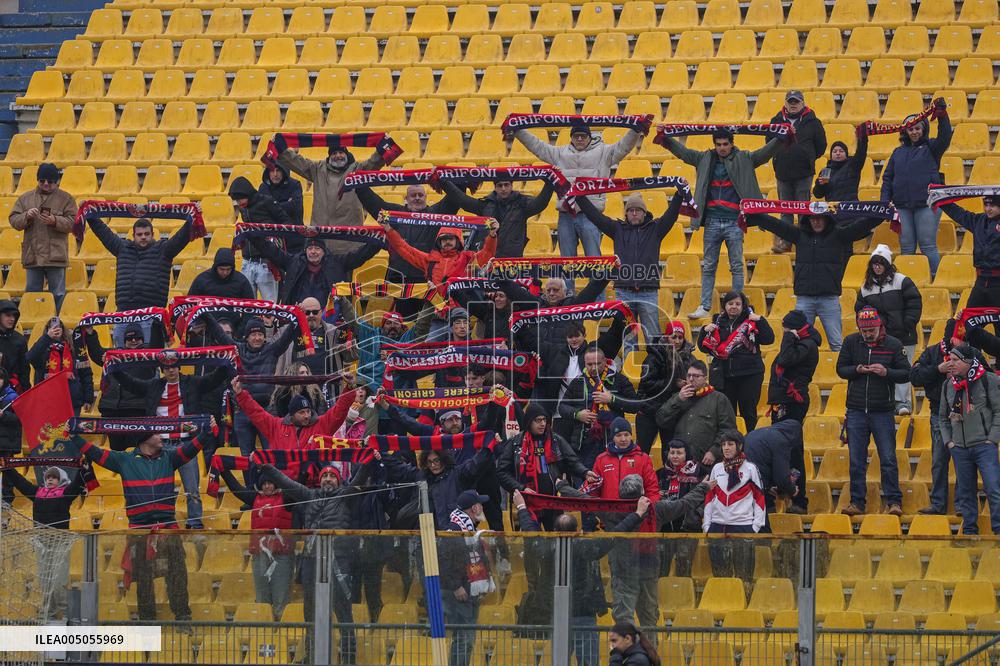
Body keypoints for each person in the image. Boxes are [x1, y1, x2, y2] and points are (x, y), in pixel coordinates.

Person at [79, 423, 217, 621]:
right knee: (144, 581)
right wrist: (73, 436)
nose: (162, 436)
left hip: (168, 529)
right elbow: (95, 452)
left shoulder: (170, 457)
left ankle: (183, 617)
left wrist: (207, 430)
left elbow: (194, 446)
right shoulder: (124, 460)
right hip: (140, 532)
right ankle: (147, 622)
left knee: (177, 575)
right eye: (156, 433)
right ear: (145, 439)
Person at [512, 489, 649, 666]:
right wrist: (638, 513)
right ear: (578, 531)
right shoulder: (588, 546)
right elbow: (616, 533)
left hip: (558, 613)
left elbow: (531, 534)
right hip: (584, 612)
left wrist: (522, 507)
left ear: (553, 531)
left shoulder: (545, 548)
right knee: (588, 662)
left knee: (559, 660)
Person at [657, 128, 781, 319]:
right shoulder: (704, 158)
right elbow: (683, 153)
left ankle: (740, 306)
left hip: (735, 220)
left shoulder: (744, 158)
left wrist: (782, 138)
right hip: (712, 220)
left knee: (737, 266)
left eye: (725, 144)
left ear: (732, 143)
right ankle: (705, 306)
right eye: (719, 144)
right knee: (708, 266)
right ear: (714, 144)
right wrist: (665, 138)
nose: (722, 148)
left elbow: (764, 154)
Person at [258, 461, 369, 663]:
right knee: (310, 611)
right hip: (311, 560)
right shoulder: (310, 495)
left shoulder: (345, 495)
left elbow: (361, 478)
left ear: (339, 480)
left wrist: (370, 461)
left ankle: (349, 659)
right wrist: (266, 467)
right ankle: (312, 655)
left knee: (343, 611)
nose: (327, 479)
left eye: (332, 476)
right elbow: (286, 482)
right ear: (319, 481)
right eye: (324, 476)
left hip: (339, 560)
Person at [513, 121, 642, 292]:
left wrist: (636, 129)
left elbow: (624, 146)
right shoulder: (560, 153)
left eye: (583, 136)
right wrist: (518, 130)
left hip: (592, 217)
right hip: (565, 215)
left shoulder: (604, 152)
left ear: (589, 137)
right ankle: (568, 301)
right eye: (576, 136)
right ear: (571, 138)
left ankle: (598, 301)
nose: (579, 139)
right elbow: (538, 147)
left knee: (595, 262)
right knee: (567, 263)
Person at [742, 210, 885, 351]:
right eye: (812, 218)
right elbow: (775, 224)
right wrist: (754, 215)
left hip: (829, 299)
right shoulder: (799, 235)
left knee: (836, 344)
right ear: (807, 220)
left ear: (827, 219)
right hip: (804, 298)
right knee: (799, 342)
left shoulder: (838, 235)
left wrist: (883, 213)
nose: (816, 222)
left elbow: (861, 226)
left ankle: (841, 374)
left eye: (819, 218)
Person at [577, 192, 683, 349]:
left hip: (648, 292)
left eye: (638, 210)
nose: (634, 213)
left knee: (652, 339)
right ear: (625, 213)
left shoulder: (656, 229)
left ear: (644, 213)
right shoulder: (616, 229)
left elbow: (672, 214)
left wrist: (679, 195)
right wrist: (579, 197)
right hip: (624, 291)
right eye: (630, 210)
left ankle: (655, 370)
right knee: (628, 340)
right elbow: (596, 217)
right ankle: (628, 371)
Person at [836, 307, 911, 517]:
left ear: (880, 326)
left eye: (872, 330)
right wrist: (857, 370)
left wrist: (886, 372)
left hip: (882, 411)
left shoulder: (894, 344)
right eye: (864, 330)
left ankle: (894, 501)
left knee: (888, 458)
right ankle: (857, 502)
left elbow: (906, 373)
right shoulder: (851, 342)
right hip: (856, 410)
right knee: (856, 460)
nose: (868, 334)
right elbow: (841, 369)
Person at [356, 183, 462, 315]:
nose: (417, 198)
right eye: (413, 195)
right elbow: (372, 202)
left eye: (420, 195)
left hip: (428, 283)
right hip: (399, 282)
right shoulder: (394, 214)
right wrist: (358, 184)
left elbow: (454, 198)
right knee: (404, 323)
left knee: (426, 323)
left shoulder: (436, 214)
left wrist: (460, 181)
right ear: (405, 198)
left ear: (426, 197)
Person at [86, 216, 195, 343]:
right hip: (123, 314)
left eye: (147, 234)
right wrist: (90, 216)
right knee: (121, 357)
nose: (143, 237)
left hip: (151, 316)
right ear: (134, 235)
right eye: (140, 234)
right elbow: (103, 233)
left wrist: (193, 218)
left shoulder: (164, 250)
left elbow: (181, 238)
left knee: (150, 359)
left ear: (153, 234)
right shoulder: (122, 248)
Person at [910, 319, 980, 515]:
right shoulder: (932, 352)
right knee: (939, 460)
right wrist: (937, 370)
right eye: (956, 341)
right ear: (948, 338)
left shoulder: (972, 352)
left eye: (962, 341)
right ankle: (938, 504)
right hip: (939, 414)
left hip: (966, 414)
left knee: (964, 462)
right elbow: (913, 377)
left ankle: (962, 505)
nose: (959, 345)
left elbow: (984, 376)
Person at [593, 425, 660, 630]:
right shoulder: (602, 460)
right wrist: (604, 517)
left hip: (643, 535)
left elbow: (653, 491)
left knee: (648, 603)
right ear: (612, 437)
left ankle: (649, 653)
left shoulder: (643, 458)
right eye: (619, 435)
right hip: (617, 533)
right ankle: (625, 651)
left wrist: (645, 512)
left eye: (626, 434)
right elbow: (593, 493)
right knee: (621, 595)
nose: (623, 439)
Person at [880, 98, 952, 277]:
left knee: (927, 244)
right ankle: (908, 280)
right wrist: (884, 200)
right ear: (906, 131)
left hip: (927, 204)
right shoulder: (897, 152)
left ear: (924, 129)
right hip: (902, 206)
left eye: (918, 128)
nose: (914, 132)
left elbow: (945, 137)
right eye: (911, 129)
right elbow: (887, 178)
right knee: (907, 246)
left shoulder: (932, 147)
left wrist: (943, 116)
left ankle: (935, 279)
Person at [2, 465, 84, 620]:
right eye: (47, 477)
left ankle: (68, 616)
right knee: (45, 582)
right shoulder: (37, 493)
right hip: (41, 542)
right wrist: (7, 469)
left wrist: (82, 469)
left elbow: (77, 484)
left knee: (59, 582)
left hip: (60, 541)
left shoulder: (65, 493)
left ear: (61, 479)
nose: (50, 479)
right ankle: (50, 615)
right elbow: (20, 482)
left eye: (53, 477)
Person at [214, 467, 296, 621]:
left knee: (281, 597)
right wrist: (224, 471)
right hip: (260, 555)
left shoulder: (286, 498)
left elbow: (298, 483)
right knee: (262, 598)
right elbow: (236, 489)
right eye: (264, 483)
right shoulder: (254, 498)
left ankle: (280, 632)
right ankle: (265, 633)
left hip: (282, 556)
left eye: (270, 483)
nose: (267, 486)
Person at [497, 403, 595, 529]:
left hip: (553, 502)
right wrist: (520, 488)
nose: (543, 424)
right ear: (529, 422)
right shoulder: (515, 443)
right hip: (528, 503)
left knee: (555, 543)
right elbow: (502, 472)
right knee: (533, 544)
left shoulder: (556, 440)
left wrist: (585, 472)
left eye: (544, 419)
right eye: (538, 420)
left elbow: (572, 461)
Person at [938, 343, 1000, 535]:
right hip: (959, 448)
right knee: (965, 493)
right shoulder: (948, 384)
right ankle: (970, 531)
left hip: (984, 446)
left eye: (955, 360)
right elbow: (942, 417)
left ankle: (998, 530)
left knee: (994, 490)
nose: (951, 363)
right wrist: (950, 442)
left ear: (967, 361)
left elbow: (999, 411)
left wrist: (992, 439)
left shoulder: (989, 380)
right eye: (950, 360)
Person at [274, 134, 387, 237]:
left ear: (346, 154)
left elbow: (374, 162)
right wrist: (281, 149)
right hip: (321, 239)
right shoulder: (318, 169)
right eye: (334, 153)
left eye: (341, 152)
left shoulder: (357, 170)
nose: (338, 156)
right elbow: (297, 162)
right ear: (329, 156)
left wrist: (384, 147)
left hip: (350, 238)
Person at [855, 244, 923, 415]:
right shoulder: (865, 288)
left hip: (904, 336)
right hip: (881, 338)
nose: (877, 267)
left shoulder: (902, 280)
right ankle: (886, 402)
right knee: (882, 369)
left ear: (887, 264)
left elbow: (914, 303)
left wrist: (907, 324)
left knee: (903, 369)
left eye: (880, 263)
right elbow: (860, 311)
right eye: (874, 264)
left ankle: (902, 403)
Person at [370, 440, 494, 530]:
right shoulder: (420, 476)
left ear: (444, 459)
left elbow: (476, 464)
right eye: (429, 462)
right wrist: (380, 455)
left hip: (454, 534)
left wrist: (490, 446)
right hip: (426, 534)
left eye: (436, 460)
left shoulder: (457, 474)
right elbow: (398, 468)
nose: (433, 465)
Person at [697, 291, 774, 432]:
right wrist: (704, 331)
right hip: (725, 376)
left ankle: (750, 444)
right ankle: (729, 447)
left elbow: (769, 339)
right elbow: (704, 348)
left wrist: (761, 320)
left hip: (750, 374)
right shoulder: (717, 321)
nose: (734, 307)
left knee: (748, 412)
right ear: (724, 305)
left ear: (743, 305)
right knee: (727, 414)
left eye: (738, 304)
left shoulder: (751, 321)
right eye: (730, 303)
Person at [82, 321, 164, 450]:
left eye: (137, 338)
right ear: (124, 340)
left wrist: (156, 324)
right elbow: (97, 353)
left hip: (137, 411)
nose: (133, 341)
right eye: (129, 338)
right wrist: (90, 333)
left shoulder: (148, 355)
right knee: (116, 452)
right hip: (112, 411)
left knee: (137, 452)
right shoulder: (114, 354)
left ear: (143, 339)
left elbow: (158, 344)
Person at [558, 345, 642, 469]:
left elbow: (635, 405)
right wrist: (578, 414)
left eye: (597, 364)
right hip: (585, 441)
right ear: (584, 364)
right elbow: (562, 407)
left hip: (613, 440)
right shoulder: (578, 382)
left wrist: (612, 399)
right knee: (587, 481)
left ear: (605, 361)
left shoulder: (619, 379)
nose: (593, 368)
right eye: (589, 364)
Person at [8, 162, 76, 310]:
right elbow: (13, 220)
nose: (46, 184)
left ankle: (57, 326)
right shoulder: (24, 199)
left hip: (56, 256)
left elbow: (74, 224)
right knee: (32, 295)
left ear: (57, 181)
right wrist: (26, 216)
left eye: (50, 181)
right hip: (33, 255)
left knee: (58, 295)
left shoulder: (67, 199)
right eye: (42, 180)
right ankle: (34, 322)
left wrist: (55, 221)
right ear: (37, 180)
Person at [440, 489, 497, 666]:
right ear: (474, 507)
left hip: (469, 591)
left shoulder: (470, 529)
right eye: (480, 504)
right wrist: (456, 586)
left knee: (466, 638)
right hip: (460, 592)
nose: (482, 507)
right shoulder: (456, 530)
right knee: (464, 639)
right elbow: (444, 559)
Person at [702, 430, 765, 584]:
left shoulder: (750, 468)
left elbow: (760, 498)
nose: (726, 448)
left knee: (744, 576)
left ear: (740, 446)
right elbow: (709, 498)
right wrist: (707, 525)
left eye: (730, 444)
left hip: (743, 527)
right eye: (723, 445)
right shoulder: (717, 468)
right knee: (720, 576)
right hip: (717, 527)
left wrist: (755, 527)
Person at [251, 234, 380, 307]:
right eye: (310, 248)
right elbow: (270, 250)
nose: (313, 252)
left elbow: (361, 255)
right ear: (305, 250)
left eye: (317, 248)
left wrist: (379, 240)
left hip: (329, 319)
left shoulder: (337, 263)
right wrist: (251, 235)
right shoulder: (293, 262)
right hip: (297, 316)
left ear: (324, 251)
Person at [230, 376, 356, 452]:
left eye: (308, 411)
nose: (307, 415)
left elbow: (340, 410)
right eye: (301, 412)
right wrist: (241, 394)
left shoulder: (321, 424)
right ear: (291, 414)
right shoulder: (275, 426)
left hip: (312, 484)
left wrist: (349, 388)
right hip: (283, 483)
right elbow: (256, 413)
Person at [770, 91, 828, 253]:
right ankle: (786, 242)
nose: (793, 104)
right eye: (790, 102)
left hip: (804, 173)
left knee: (803, 209)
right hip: (782, 172)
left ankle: (804, 241)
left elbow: (821, 146)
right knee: (786, 211)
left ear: (803, 103)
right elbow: (769, 144)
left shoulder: (814, 122)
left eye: (796, 102)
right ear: (785, 103)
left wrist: (807, 158)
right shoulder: (775, 121)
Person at [442, 177, 554, 259]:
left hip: (512, 261)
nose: (503, 188)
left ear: (512, 186)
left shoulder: (522, 204)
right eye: (500, 185)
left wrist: (550, 184)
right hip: (487, 260)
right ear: (495, 187)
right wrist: (443, 183)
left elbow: (540, 204)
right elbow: (463, 201)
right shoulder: (485, 205)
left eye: (506, 185)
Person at [656, 359, 737, 466]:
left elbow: (728, 430)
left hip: (707, 461)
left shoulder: (719, 399)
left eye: (696, 376)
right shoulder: (679, 397)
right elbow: (661, 420)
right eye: (688, 375)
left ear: (705, 378)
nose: (691, 379)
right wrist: (678, 400)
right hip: (681, 461)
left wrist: (714, 451)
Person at [231, 173, 296, 301]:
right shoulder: (243, 209)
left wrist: (272, 237)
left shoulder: (267, 201)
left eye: (240, 199)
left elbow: (286, 223)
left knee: (270, 304)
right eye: (237, 201)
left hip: (267, 261)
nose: (239, 203)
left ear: (247, 194)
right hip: (247, 260)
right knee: (248, 304)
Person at [636, 322, 695, 453]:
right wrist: (673, 384)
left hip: (672, 411)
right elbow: (647, 384)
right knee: (642, 452)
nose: (677, 341)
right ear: (666, 337)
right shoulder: (654, 356)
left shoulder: (690, 358)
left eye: (680, 337)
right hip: (649, 410)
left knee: (670, 452)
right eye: (674, 337)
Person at [655, 439, 708, 577]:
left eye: (679, 453)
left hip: (688, 526)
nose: (675, 456)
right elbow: (650, 495)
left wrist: (697, 513)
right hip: (665, 528)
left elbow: (708, 496)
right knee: (661, 568)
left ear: (687, 454)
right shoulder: (660, 474)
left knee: (684, 568)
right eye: (672, 452)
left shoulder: (700, 472)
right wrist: (656, 495)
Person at [938, 194, 1000, 311]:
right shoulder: (978, 220)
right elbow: (958, 213)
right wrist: (940, 199)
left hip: (998, 282)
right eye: (986, 205)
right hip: (981, 282)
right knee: (968, 323)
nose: (988, 209)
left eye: (993, 205)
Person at [26, 316, 93, 415]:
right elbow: (30, 357)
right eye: (52, 327)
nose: (56, 329)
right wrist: (47, 337)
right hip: (47, 402)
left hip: (72, 402)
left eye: (59, 326)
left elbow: (86, 374)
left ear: (63, 329)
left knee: (69, 431)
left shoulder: (76, 349)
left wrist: (88, 398)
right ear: (47, 330)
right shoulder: (42, 350)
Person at [768, 310, 821, 424]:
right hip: (783, 398)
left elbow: (784, 360)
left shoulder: (807, 344)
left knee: (788, 435)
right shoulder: (797, 342)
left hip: (792, 399)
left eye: (786, 328)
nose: (784, 331)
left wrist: (788, 337)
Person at [275, 297, 350, 377]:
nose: (311, 315)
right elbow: (267, 346)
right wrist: (269, 324)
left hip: (325, 386)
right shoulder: (287, 331)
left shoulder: (333, 331)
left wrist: (344, 302)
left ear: (321, 313)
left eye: (315, 312)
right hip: (295, 386)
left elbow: (352, 354)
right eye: (307, 312)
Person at [745, 420, 806, 517]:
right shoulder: (781, 441)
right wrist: (792, 490)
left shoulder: (756, 433)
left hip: (744, 485)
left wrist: (768, 487)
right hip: (759, 491)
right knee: (764, 524)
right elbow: (781, 478)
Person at [187, 248, 255, 308]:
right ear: (215, 267)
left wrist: (243, 322)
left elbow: (250, 306)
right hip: (207, 321)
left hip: (234, 321)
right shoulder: (202, 280)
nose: (225, 273)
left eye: (228, 269)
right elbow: (189, 304)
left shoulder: (241, 280)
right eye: (222, 269)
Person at [813, 132, 869, 202]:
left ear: (846, 154)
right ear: (831, 155)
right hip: (832, 209)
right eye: (835, 151)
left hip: (849, 207)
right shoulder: (826, 171)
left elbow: (861, 152)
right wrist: (820, 185)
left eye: (841, 151)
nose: (838, 153)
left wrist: (862, 138)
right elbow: (818, 195)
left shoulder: (852, 165)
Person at [259, 163, 304, 228]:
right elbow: (261, 210)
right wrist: (287, 203)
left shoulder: (295, 185)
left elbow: (296, 207)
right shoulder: (263, 187)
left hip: (293, 230)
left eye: (278, 171)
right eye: (272, 171)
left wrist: (271, 206)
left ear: (284, 171)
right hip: (270, 230)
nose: (275, 174)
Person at [0, 300, 29, 391]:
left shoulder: (20, 341)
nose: (12, 319)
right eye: (8, 315)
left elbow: (24, 370)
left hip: (11, 389)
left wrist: (25, 391)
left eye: (14, 316)